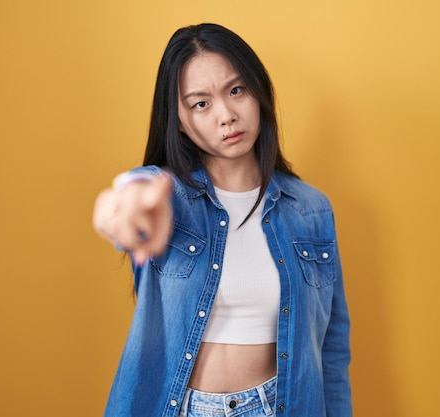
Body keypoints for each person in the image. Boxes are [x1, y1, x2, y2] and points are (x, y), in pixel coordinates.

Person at [93, 23, 352, 417]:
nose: (226, 116)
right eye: (201, 103)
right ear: (178, 120)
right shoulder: (166, 196)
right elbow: (131, 195)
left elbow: (331, 351)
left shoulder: (310, 209)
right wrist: (123, 204)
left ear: (258, 92)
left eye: (236, 90)